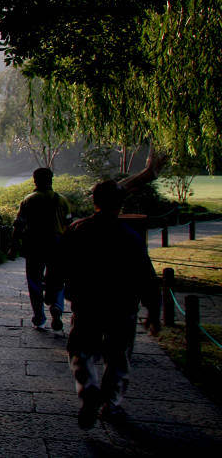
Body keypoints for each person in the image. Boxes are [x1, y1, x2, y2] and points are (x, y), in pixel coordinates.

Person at [45, 180, 161, 429]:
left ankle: (88, 389)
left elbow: (57, 265)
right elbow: (146, 275)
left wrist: (51, 289)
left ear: (94, 201)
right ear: (120, 204)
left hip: (86, 303)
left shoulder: (77, 230)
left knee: (80, 352)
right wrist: (153, 308)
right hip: (123, 306)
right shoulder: (129, 236)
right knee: (118, 357)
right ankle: (111, 404)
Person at [11, 167, 70, 330]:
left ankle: (39, 315)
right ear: (51, 180)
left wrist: (13, 245)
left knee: (34, 280)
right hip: (57, 245)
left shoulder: (29, 200)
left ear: (35, 180)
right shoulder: (62, 200)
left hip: (34, 245)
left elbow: (19, 225)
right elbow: (68, 225)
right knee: (57, 279)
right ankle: (57, 306)